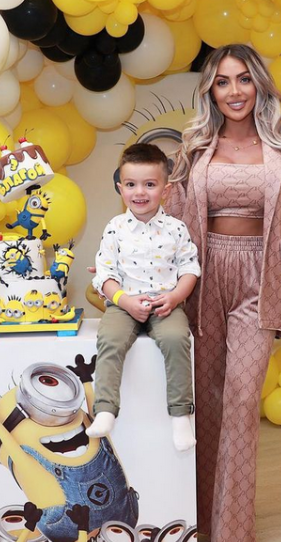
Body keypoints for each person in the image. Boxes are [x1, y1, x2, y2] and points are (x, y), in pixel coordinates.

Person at [166, 44, 281, 542]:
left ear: (259, 85)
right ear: (210, 92)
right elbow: (169, 220)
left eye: (243, 80)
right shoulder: (194, 150)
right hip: (202, 275)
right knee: (207, 403)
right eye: (222, 82)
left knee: (239, 403)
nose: (234, 91)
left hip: (261, 279)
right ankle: (202, 524)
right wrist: (129, 263)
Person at [89, 143, 200, 451]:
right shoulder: (115, 228)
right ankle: (106, 409)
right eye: (131, 184)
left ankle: (180, 414)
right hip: (124, 304)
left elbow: (190, 269)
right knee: (109, 340)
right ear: (120, 188)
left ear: (165, 189)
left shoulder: (176, 229)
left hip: (165, 304)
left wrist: (175, 297)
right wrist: (124, 301)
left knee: (176, 339)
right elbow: (105, 274)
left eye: (150, 184)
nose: (140, 192)